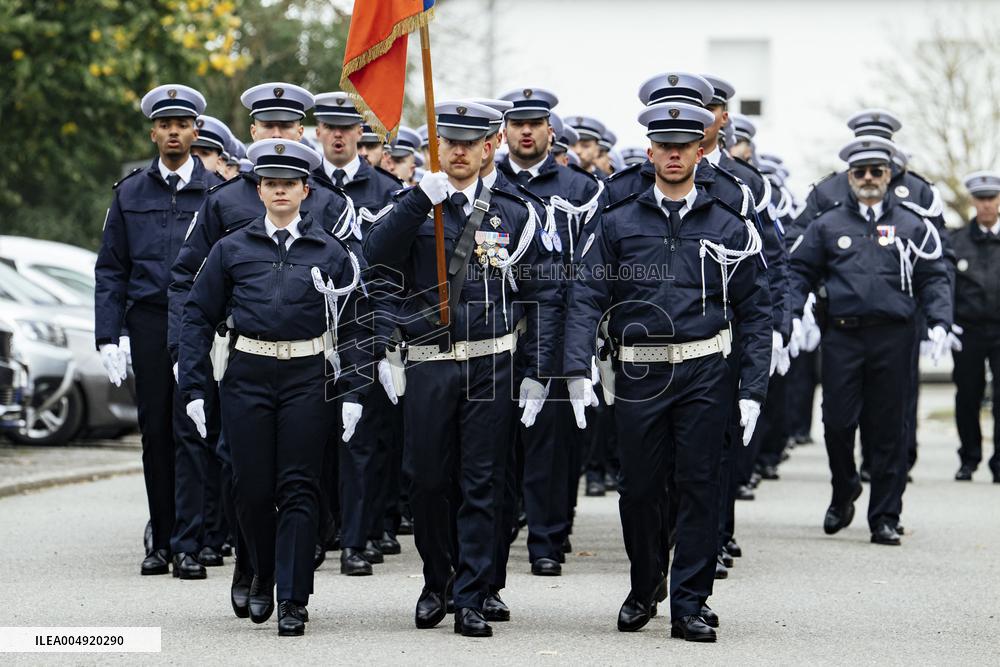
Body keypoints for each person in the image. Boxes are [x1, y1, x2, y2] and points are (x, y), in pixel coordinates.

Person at [563, 99, 771, 642]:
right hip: (640, 372)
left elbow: (755, 307)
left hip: (705, 369)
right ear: (650, 150)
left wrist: (752, 387)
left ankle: (690, 603)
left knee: (701, 485)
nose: (674, 154)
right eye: (665, 146)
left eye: (685, 146)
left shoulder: (730, 225)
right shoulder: (618, 221)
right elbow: (586, 294)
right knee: (638, 489)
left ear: (701, 150)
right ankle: (644, 582)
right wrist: (576, 367)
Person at [364, 100, 562, 638]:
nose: (458, 150)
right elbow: (375, 260)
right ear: (438, 147)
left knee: (483, 482)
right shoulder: (414, 205)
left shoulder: (514, 212)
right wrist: (413, 203)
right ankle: (437, 580)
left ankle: (472, 593)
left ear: (488, 147)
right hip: (428, 363)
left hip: (489, 363)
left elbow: (542, 289)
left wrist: (537, 370)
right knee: (425, 481)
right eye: (448, 141)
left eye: (469, 142)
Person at [168, 81, 351, 616]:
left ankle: (293, 599)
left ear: (304, 190)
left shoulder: (330, 251)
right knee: (247, 485)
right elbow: (198, 312)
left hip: (306, 375)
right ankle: (261, 569)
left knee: (298, 486)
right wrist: (195, 383)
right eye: (269, 182)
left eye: (289, 183)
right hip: (247, 372)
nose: (278, 191)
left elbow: (357, 318)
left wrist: (357, 388)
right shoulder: (231, 248)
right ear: (258, 189)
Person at [788, 136, 952, 546]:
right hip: (843, 334)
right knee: (836, 423)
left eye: (876, 171)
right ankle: (844, 490)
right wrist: (792, 314)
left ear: (889, 174)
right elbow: (798, 272)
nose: (867, 178)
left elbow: (934, 275)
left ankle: (885, 515)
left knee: (888, 429)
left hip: (894, 336)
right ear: (849, 176)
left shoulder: (913, 224)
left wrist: (940, 321)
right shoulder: (827, 223)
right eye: (859, 172)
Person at [95, 84, 216, 581]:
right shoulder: (130, 192)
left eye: (181, 124)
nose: (172, 132)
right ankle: (161, 539)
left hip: (196, 323)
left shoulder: (216, 192)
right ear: (153, 132)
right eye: (164, 124)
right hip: (147, 322)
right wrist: (107, 334)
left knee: (192, 431)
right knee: (156, 435)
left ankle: (190, 542)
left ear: (195, 131)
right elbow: (111, 270)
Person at [497, 87, 606, 564]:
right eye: (517, 124)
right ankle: (497, 537)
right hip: (495, 331)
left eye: (535, 123)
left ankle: (547, 538)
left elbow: (592, 269)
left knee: (552, 442)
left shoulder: (580, 189)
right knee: (496, 443)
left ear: (550, 131)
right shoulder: (488, 185)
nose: (526, 131)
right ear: (502, 132)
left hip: (556, 329)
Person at [312, 91, 405, 574]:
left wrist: (388, 336)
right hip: (311, 329)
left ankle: (357, 536)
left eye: (348, 127)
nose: (339, 134)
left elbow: (393, 268)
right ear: (318, 132)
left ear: (359, 134)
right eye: (329, 126)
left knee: (362, 437)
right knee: (314, 436)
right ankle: (318, 530)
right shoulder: (298, 185)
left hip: (364, 324)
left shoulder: (385, 190)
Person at [950, 171, 1000, 483]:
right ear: (973, 202)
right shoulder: (956, 241)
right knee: (968, 395)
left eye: (991, 198)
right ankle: (969, 457)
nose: (986, 205)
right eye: (980, 199)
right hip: (967, 330)